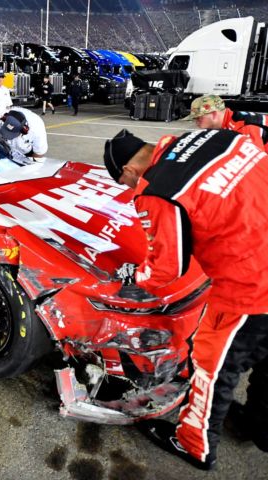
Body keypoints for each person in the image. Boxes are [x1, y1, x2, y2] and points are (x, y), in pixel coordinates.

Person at [103, 128, 268, 470]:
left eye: (125, 184)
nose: (129, 189)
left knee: (212, 367)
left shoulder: (158, 190)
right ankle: (261, 427)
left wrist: (135, 275)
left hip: (250, 287)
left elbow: (167, 269)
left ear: (130, 172)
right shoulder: (218, 137)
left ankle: (195, 445)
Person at [184, 94, 268, 153]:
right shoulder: (232, 120)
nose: (196, 122)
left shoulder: (242, 128)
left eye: (198, 118)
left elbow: (254, 164)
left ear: (214, 114)